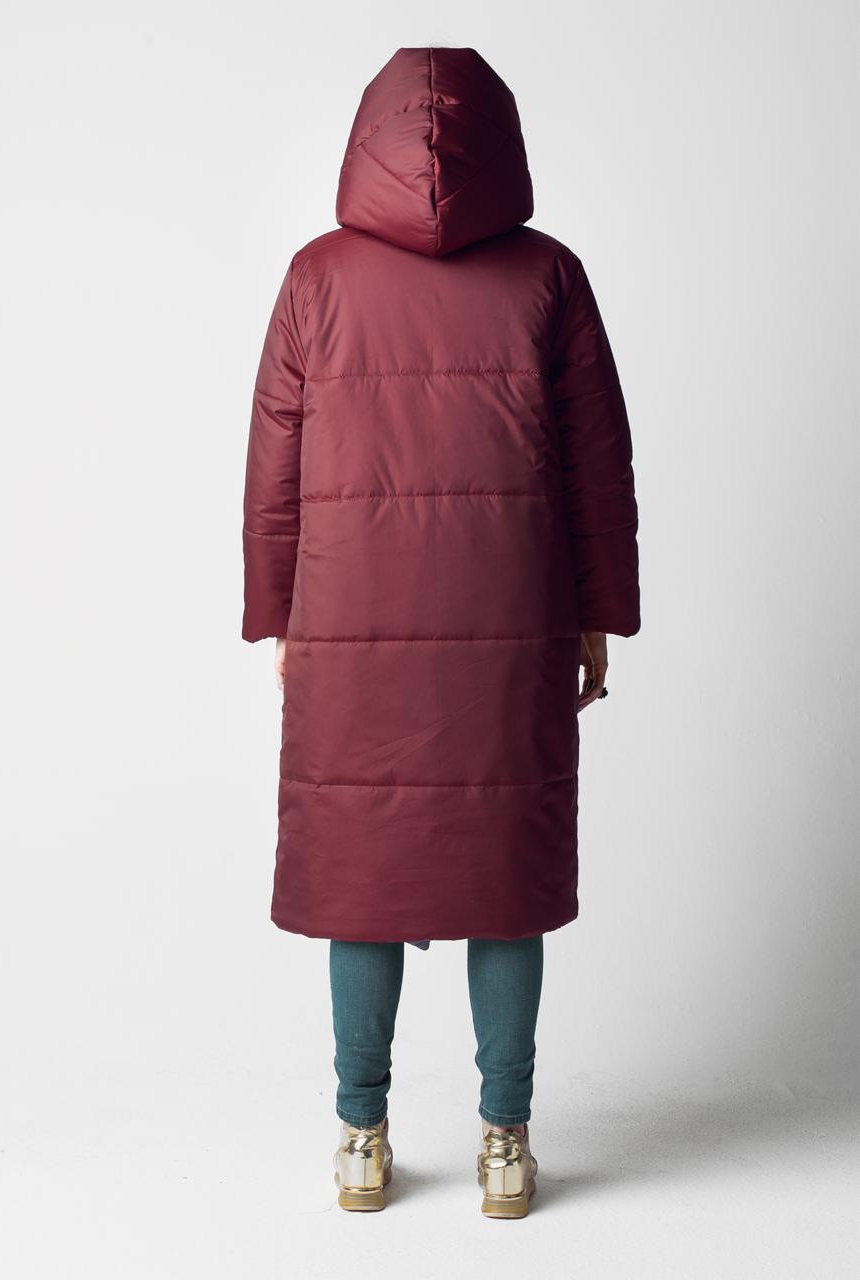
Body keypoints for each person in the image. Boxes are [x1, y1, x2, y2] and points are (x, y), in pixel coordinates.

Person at [241, 46, 641, 1218]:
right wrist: (597, 612)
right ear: (499, 141)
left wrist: (278, 612)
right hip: (511, 618)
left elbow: (273, 462)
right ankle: (505, 1145)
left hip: (349, 615)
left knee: (360, 868)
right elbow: (597, 463)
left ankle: (360, 1139)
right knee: (501, 872)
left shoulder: (315, 277)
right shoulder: (548, 275)